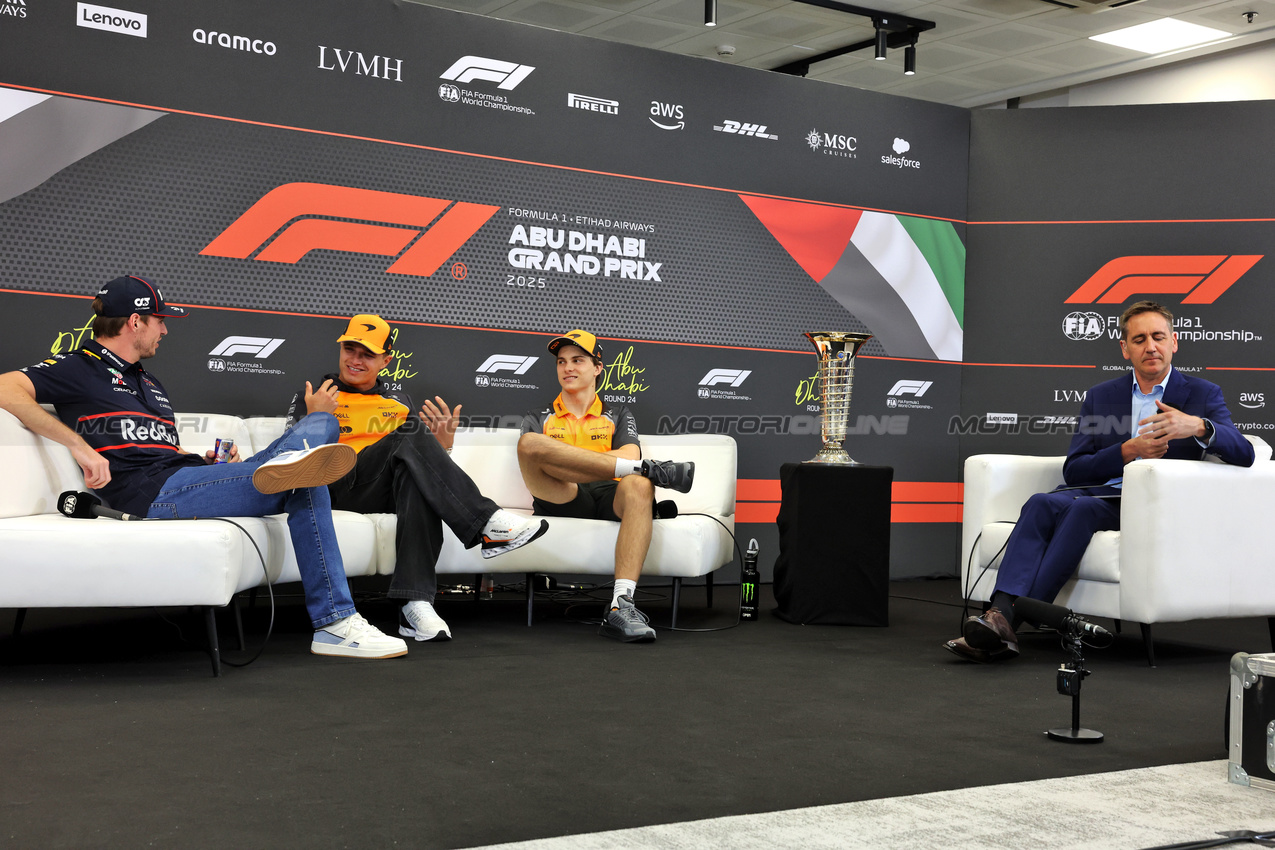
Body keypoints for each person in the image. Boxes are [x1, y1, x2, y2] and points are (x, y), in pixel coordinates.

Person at [0, 275, 408, 660]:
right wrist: (80, 446)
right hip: (151, 493)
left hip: (185, 478)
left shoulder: (150, 383)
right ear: (135, 322)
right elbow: (6, 387)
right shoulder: (80, 366)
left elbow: (167, 454)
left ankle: (287, 467)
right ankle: (335, 622)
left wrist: (212, 465)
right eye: (160, 321)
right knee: (307, 478)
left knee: (322, 424)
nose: (165, 330)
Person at [947, 300, 1255, 663]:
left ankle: (1008, 620)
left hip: (1151, 504)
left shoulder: (1203, 395)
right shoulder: (1101, 396)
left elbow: (1244, 453)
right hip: (1102, 490)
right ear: (1125, 349)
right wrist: (1127, 450)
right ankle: (999, 616)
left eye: (1158, 337)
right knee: (1041, 502)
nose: (1150, 346)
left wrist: (1200, 426)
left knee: (1084, 511)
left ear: (1175, 342)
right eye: (1139, 339)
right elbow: (1075, 470)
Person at [284, 314, 548, 642]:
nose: (355, 360)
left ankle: (415, 603)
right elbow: (288, 458)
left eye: (366, 354)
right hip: (331, 485)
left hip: (379, 489)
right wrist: (315, 417)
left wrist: (443, 449)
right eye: (349, 349)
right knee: (410, 434)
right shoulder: (314, 395)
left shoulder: (397, 405)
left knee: (416, 479)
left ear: (386, 360)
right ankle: (486, 522)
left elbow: (415, 461)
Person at [516, 329, 695, 643]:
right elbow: (536, 460)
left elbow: (629, 455)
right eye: (561, 362)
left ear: (598, 367)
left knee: (640, 484)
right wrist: (595, 463)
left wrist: (568, 460)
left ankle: (620, 606)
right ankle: (652, 472)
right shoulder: (538, 416)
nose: (567, 367)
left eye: (578, 360)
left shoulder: (617, 413)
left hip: (608, 495)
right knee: (530, 444)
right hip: (562, 493)